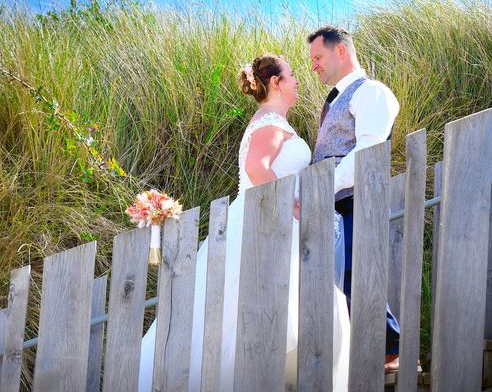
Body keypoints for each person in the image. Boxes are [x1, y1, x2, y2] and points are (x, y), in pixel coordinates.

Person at [138, 54, 350, 391]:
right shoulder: (269, 123)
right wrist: (291, 207)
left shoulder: (272, 121)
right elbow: (257, 168)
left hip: (263, 221)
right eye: (291, 75)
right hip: (263, 223)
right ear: (276, 83)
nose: (297, 80)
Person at [308, 26, 401, 372]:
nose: (314, 66)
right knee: (341, 278)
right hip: (334, 203)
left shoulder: (372, 92)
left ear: (342, 51)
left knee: (355, 273)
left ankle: (393, 351)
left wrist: (324, 187)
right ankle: (366, 353)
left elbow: (367, 150)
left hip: (356, 200)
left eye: (318, 57)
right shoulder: (334, 100)